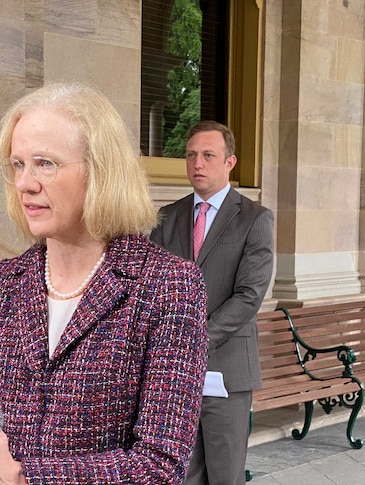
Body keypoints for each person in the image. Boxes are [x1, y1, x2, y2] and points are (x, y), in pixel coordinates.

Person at [0, 83, 209, 485]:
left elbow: (159, 465)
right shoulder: (6, 281)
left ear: (100, 170)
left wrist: (27, 480)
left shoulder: (169, 285)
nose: (25, 183)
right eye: (17, 164)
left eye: (45, 163)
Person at [149, 120, 274, 485]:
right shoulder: (167, 218)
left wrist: (196, 340)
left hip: (227, 372)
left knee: (224, 475)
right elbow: (155, 287)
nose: (197, 164)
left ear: (229, 162)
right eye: (191, 155)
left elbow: (249, 295)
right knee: (181, 474)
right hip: (175, 375)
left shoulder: (255, 219)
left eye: (207, 155)